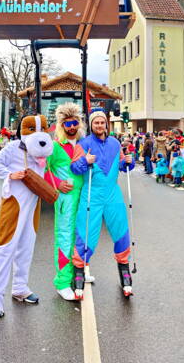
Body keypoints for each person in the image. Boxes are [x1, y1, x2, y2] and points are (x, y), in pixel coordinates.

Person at [0, 114, 53, 318]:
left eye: (42, 129)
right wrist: (9, 174)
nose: (38, 134)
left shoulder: (42, 153)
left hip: (33, 205)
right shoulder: (13, 147)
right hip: (14, 204)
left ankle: (20, 288)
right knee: (6, 248)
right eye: (33, 129)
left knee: (26, 247)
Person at [71, 109, 134, 298]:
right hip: (92, 194)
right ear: (91, 125)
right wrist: (85, 160)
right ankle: (79, 272)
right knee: (87, 232)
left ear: (107, 124)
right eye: (96, 123)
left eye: (102, 122)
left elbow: (123, 166)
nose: (100, 125)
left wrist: (128, 162)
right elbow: (74, 168)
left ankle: (125, 273)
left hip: (113, 194)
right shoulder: (84, 144)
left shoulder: (115, 143)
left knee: (121, 230)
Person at [45, 102, 86, 301]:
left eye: (75, 122)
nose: (72, 127)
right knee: (64, 238)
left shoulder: (83, 145)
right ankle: (62, 282)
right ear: (62, 125)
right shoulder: (54, 147)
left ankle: (78, 273)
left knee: (81, 235)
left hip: (83, 198)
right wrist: (59, 184)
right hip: (65, 200)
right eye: (68, 123)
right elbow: (44, 171)